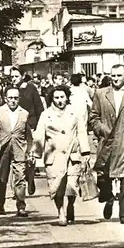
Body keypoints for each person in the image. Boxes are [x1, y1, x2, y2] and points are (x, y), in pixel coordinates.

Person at [32, 85, 91, 225]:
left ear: (67, 97)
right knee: (57, 187)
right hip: (54, 156)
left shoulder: (74, 113)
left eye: (62, 97)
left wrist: (85, 151)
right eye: (56, 97)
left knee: (72, 184)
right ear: (52, 99)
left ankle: (70, 204)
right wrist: (36, 154)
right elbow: (40, 135)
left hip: (72, 154)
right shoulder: (46, 115)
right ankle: (61, 212)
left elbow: (82, 132)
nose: (59, 100)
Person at [89, 64, 124, 224]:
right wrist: (101, 128)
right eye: (113, 75)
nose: (116, 79)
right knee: (104, 177)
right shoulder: (101, 94)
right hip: (107, 142)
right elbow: (93, 117)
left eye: (119, 75)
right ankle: (108, 197)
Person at [0, 86, 34, 217]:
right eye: (10, 98)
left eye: (15, 98)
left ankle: (21, 206)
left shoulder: (24, 113)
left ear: (19, 98)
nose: (13, 100)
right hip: (3, 149)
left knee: (20, 177)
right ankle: (0, 204)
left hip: (20, 149)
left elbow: (28, 134)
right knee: (2, 178)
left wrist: (30, 151)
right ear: (5, 99)